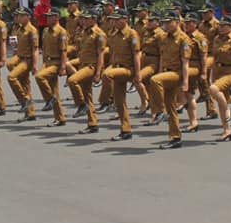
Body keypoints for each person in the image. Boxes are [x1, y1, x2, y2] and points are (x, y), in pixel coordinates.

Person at [149, 10, 192, 149]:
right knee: (172, 107)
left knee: (154, 80)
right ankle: (175, 138)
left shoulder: (184, 39)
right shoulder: (164, 38)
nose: (166, 25)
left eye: (169, 22)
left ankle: (159, 111)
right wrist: (161, 72)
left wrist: (185, 82)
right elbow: (162, 57)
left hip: (176, 73)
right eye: (165, 23)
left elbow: (185, 62)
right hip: (166, 74)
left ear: (177, 23)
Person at [102, 10, 141, 141]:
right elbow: (113, 53)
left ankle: (104, 102)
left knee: (106, 74)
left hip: (127, 69)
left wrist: (137, 74)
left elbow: (136, 55)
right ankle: (125, 130)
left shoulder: (131, 34)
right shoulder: (114, 34)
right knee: (120, 102)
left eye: (117, 19)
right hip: (117, 68)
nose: (114, 22)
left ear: (125, 19)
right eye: (113, 19)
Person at [68, 9, 106, 134]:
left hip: (91, 66)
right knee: (88, 96)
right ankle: (92, 123)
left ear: (94, 19)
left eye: (87, 18)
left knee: (72, 80)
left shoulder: (99, 34)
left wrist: (98, 73)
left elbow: (101, 54)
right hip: (83, 65)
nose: (84, 20)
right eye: (83, 18)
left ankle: (81, 105)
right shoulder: (84, 32)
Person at [208, 16, 231, 142]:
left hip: (230, 71)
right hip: (218, 70)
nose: (221, 28)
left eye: (224, 25)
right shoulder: (217, 39)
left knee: (213, 89)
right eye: (220, 25)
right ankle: (227, 130)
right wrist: (212, 73)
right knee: (221, 100)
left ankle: (227, 109)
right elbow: (214, 57)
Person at [34, 9, 69, 126]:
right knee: (54, 91)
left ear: (56, 17)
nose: (47, 18)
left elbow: (63, 51)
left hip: (56, 62)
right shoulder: (45, 31)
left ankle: (49, 99)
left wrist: (63, 67)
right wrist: (43, 63)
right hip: (47, 62)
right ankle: (60, 118)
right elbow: (44, 49)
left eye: (50, 16)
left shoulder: (61, 32)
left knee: (39, 77)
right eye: (47, 16)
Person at [8, 7, 39, 121]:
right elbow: (14, 46)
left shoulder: (32, 30)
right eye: (18, 16)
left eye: (21, 15)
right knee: (25, 86)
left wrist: (35, 65)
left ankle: (24, 100)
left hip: (27, 60)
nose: (18, 17)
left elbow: (35, 49)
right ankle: (30, 113)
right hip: (19, 58)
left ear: (28, 17)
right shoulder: (17, 29)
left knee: (11, 77)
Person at [182, 12, 209, 134]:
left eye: (189, 23)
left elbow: (204, 56)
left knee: (189, 93)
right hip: (185, 65)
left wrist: (204, 72)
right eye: (185, 23)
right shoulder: (184, 36)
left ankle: (193, 122)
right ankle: (192, 121)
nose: (186, 25)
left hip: (194, 66)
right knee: (187, 94)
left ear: (196, 24)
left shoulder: (200, 38)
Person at [137, 12, 166, 121]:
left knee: (138, 78)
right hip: (145, 59)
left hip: (154, 61)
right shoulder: (147, 32)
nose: (148, 23)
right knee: (148, 85)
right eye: (148, 20)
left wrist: (160, 69)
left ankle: (153, 107)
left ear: (158, 23)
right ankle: (152, 106)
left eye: (151, 21)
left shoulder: (160, 34)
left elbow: (162, 53)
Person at [197, 5, 220, 119]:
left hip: (213, 55)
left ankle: (213, 108)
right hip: (202, 54)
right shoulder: (201, 24)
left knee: (204, 74)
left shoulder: (217, 25)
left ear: (212, 12)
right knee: (200, 77)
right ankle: (205, 97)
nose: (203, 15)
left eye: (206, 13)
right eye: (202, 13)